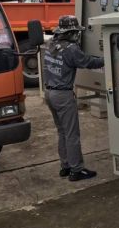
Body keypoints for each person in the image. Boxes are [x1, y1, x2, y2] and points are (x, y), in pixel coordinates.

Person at [43, 15, 104, 181]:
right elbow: (89, 62)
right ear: (70, 33)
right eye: (76, 32)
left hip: (49, 93)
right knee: (72, 134)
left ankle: (66, 166)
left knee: (62, 131)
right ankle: (77, 170)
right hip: (63, 95)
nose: (77, 35)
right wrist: (109, 58)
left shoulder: (50, 44)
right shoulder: (71, 49)